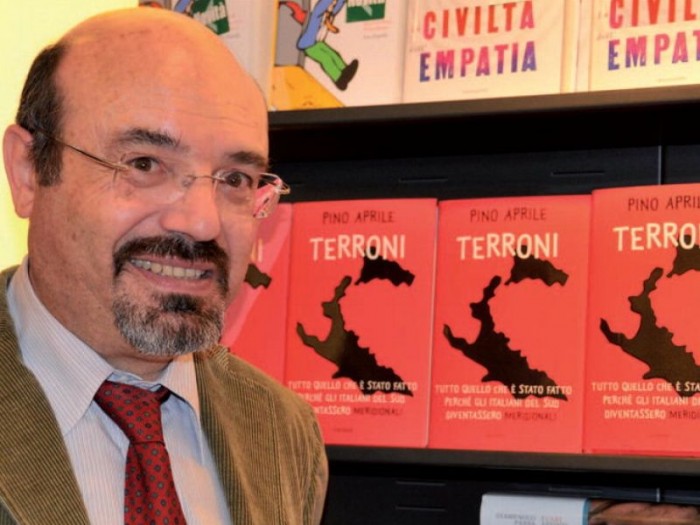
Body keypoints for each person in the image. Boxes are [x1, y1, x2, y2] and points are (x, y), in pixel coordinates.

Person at [1, 6, 327, 525]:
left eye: (236, 179)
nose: (202, 222)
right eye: (144, 164)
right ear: (28, 172)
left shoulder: (283, 432)